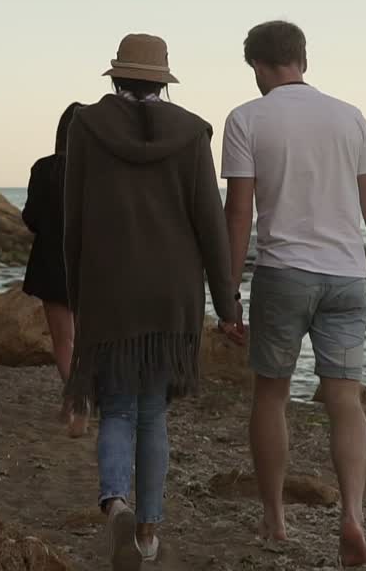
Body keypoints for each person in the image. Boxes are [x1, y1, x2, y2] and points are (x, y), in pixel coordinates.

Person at [220, 20, 366, 567]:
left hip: (283, 274)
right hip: (347, 277)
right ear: (303, 59)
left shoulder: (246, 118)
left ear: (256, 66)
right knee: (346, 401)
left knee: (271, 395)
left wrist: (228, 292)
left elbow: (239, 213)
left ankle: (276, 520)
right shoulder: (350, 117)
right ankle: (352, 515)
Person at [64, 33, 240, 570]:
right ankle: (146, 532)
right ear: (162, 81)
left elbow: (73, 221)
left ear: (117, 77)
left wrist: (79, 299)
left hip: (110, 289)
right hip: (171, 295)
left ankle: (116, 501)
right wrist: (228, 306)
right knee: (153, 416)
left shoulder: (85, 127)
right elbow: (210, 223)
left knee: (116, 408)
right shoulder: (191, 133)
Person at [22, 101, 89, 437]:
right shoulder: (99, 169)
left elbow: (30, 218)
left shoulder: (43, 168)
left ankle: (79, 403)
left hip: (51, 259)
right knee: (85, 338)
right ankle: (72, 402)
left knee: (64, 340)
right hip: (91, 261)